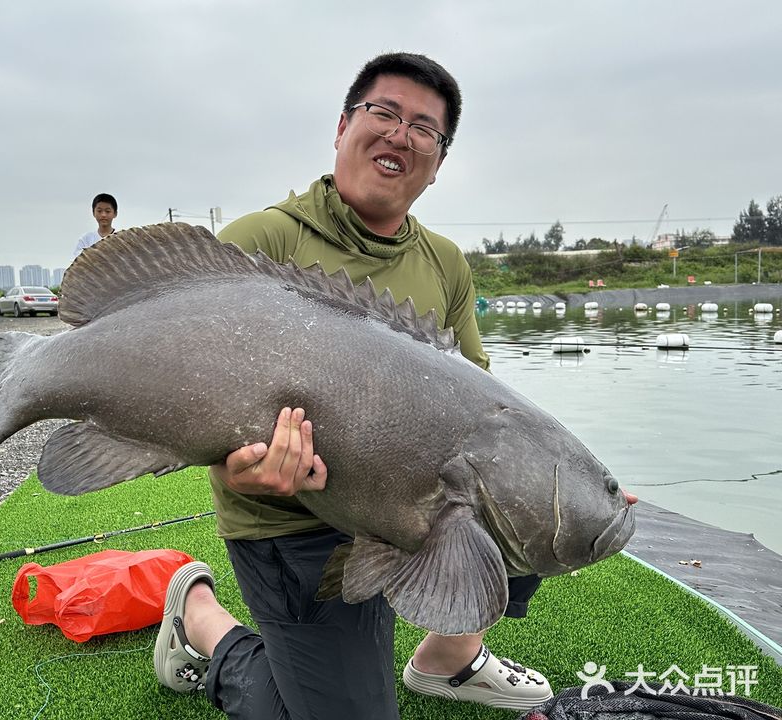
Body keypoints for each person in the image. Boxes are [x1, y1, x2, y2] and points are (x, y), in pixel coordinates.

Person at [153, 53, 638, 718]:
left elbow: (481, 402)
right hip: (290, 524)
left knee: (538, 521)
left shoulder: (444, 262)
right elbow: (190, 380)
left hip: (407, 506)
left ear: (437, 162)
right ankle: (203, 619)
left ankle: (449, 657)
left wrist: (580, 487)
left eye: (425, 129)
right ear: (343, 125)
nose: (401, 134)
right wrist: (238, 472)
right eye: (385, 113)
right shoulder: (260, 242)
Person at [72, 193, 118, 258]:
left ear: (115, 213)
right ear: (93, 213)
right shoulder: (85, 240)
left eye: (107, 211)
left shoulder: (122, 239)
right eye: (99, 211)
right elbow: (76, 264)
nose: (103, 215)